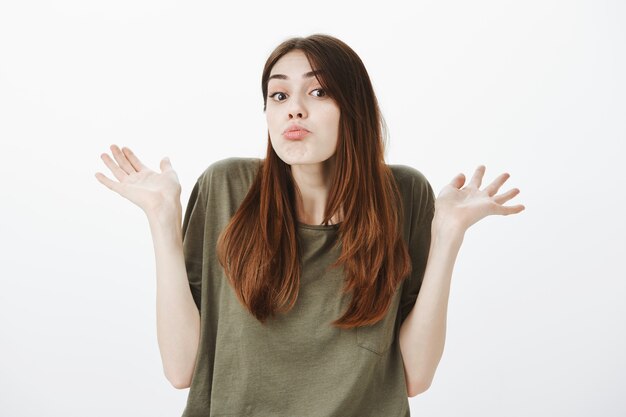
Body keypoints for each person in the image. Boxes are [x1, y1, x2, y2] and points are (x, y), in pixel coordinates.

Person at [95, 33, 524, 416]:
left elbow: (415, 377)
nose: (294, 110)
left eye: (318, 92)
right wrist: (162, 218)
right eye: (279, 96)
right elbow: (180, 369)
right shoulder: (227, 187)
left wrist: (448, 234)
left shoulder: (404, 195)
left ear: (352, 108)